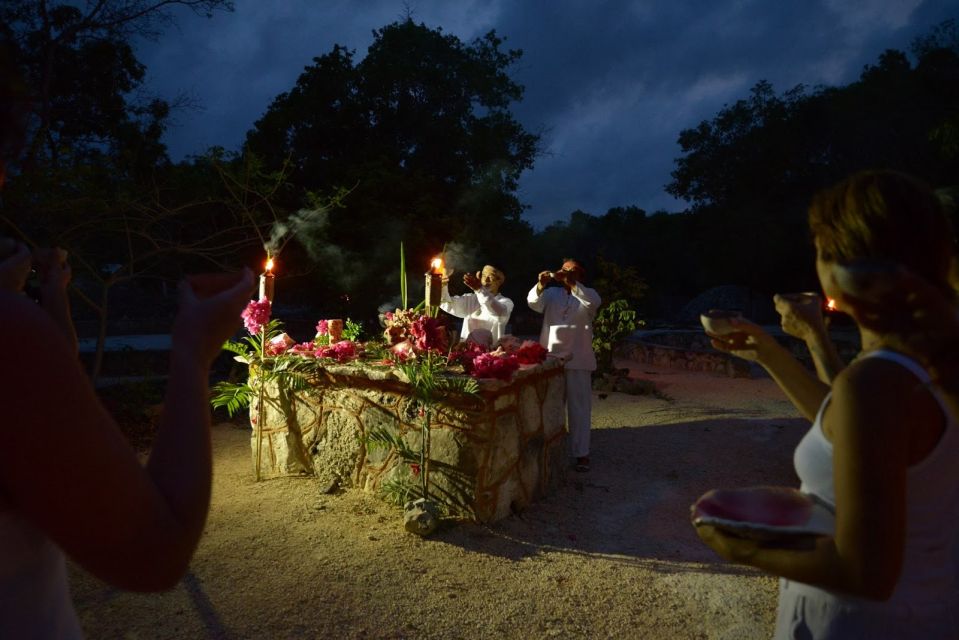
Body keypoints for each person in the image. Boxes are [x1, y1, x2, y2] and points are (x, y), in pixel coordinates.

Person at [0, 50, 256, 637]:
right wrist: (192, 352)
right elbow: (154, 553)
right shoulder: (8, 336)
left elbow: (52, 382)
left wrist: (50, 294)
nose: (6, 178)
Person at [696, 170, 959, 639]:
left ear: (840, 266)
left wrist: (738, 547)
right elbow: (846, 426)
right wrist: (770, 351)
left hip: (860, 624)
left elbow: (865, 573)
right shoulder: (928, 361)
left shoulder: (877, 382)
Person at [528, 259, 601, 472]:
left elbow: (591, 303)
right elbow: (533, 303)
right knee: (550, 407)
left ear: (580, 275)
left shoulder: (589, 294)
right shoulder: (551, 294)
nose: (566, 273)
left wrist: (572, 284)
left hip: (578, 360)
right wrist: (541, 285)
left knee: (579, 409)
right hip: (551, 359)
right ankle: (550, 453)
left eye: (572, 270)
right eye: (564, 269)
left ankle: (581, 454)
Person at [440, 264, 513, 347]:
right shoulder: (471, 299)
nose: (486, 279)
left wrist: (479, 290)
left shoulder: (506, 302)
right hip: (465, 354)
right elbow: (445, 303)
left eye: (491, 276)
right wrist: (442, 284)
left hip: (489, 356)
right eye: (484, 275)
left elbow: (497, 313)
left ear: (500, 281)